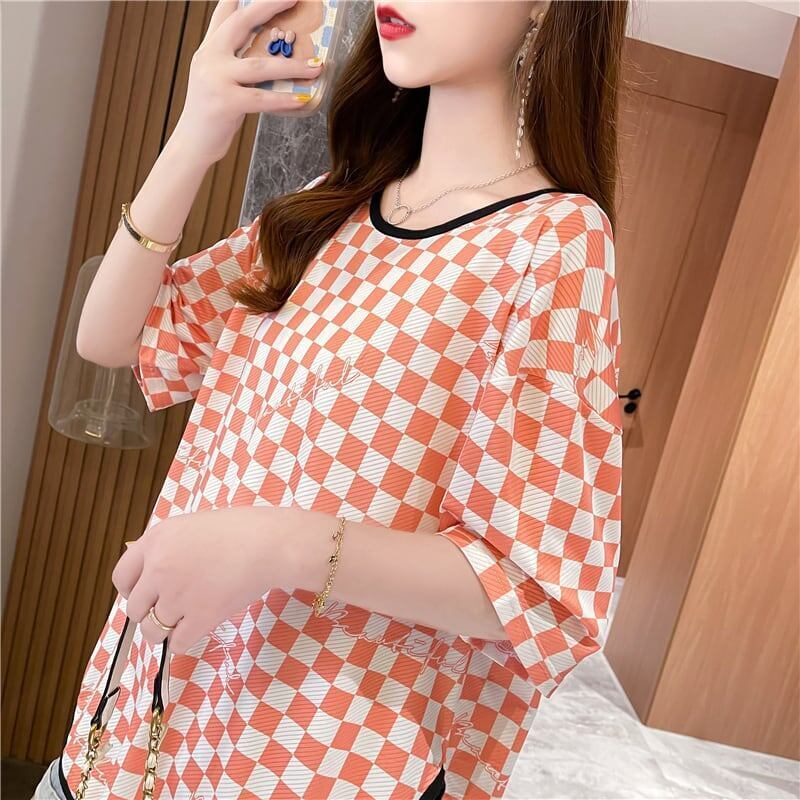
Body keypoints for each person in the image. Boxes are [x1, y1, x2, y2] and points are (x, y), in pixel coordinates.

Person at [34, 0, 627, 797]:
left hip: (313, 756)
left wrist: (278, 543)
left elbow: (540, 588)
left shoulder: (554, 242)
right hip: (145, 723)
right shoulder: (338, 204)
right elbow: (112, 337)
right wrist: (199, 127)